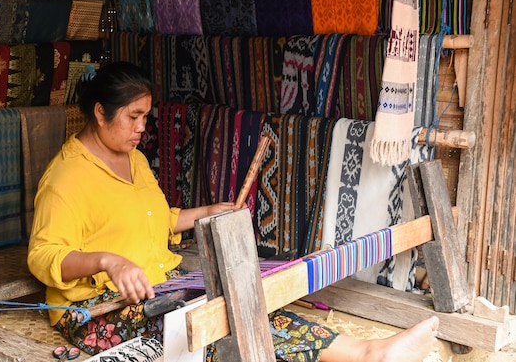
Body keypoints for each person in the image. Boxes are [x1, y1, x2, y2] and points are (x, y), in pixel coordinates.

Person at [27, 61, 440, 362]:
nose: (142, 128)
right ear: (100, 113)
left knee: (246, 303)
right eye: (133, 117)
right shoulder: (65, 179)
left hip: (157, 286)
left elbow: (156, 218)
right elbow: (44, 256)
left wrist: (210, 211)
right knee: (216, 328)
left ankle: (368, 353)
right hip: (98, 311)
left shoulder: (131, 158)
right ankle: (368, 356)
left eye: (145, 117)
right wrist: (108, 261)